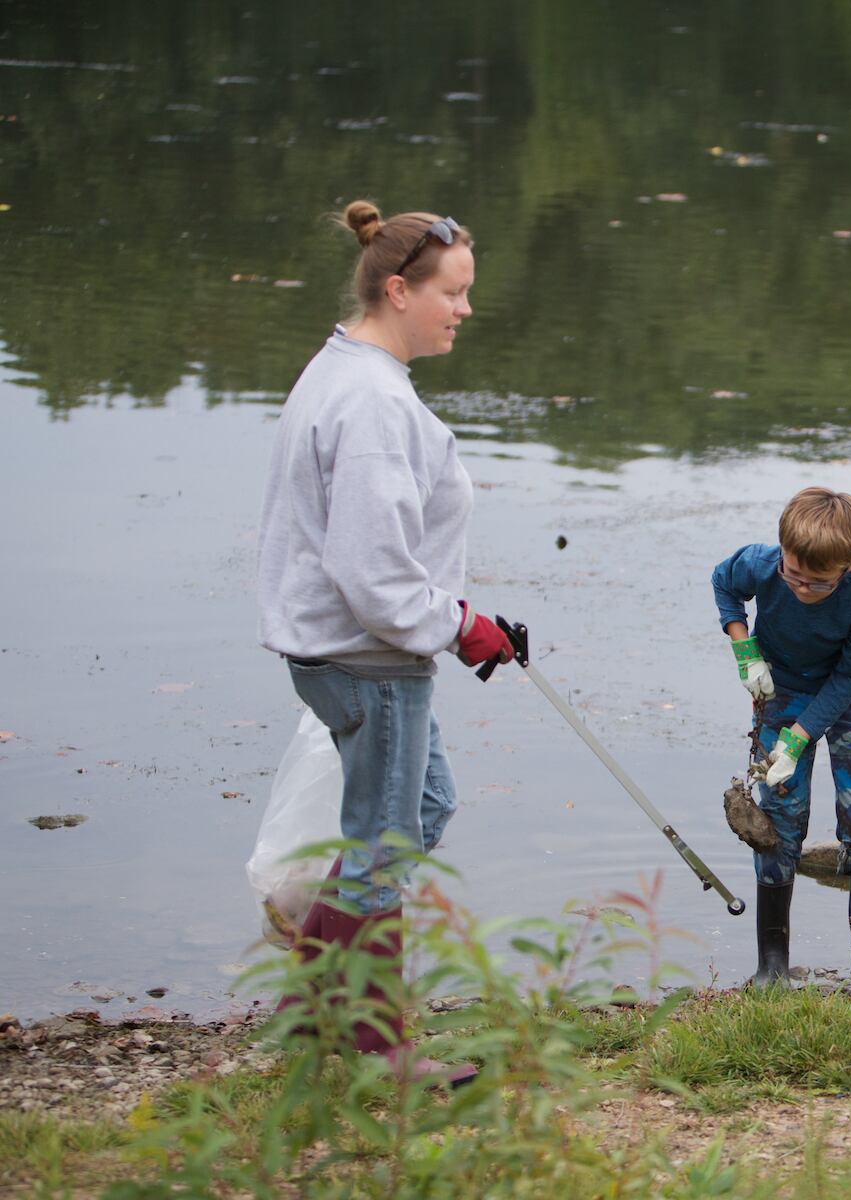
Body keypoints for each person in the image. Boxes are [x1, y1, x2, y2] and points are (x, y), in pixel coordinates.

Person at [256, 200, 513, 1085]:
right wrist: (460, 625)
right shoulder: (368, 402)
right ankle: (380, 1053)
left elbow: (373, 559)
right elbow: (372, 569)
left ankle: (308, 1004)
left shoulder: (347, 370)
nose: (465, 310)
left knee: (421, 809)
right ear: (400, 289)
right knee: (383, 850)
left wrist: (451, 622)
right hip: (371, 660)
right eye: (454, 292)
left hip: (357, 653)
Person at [712, 487, 851, 992]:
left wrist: (798, 739)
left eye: (819, 583)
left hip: (850, 696)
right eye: (794, 575)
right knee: (778, 813)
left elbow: (848, 678)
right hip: (784, 686)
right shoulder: (761, 564)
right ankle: (772, 967)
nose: (802, 589)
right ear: (782, 552)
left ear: (849, 565)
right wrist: (745, 649)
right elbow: (723, 582)